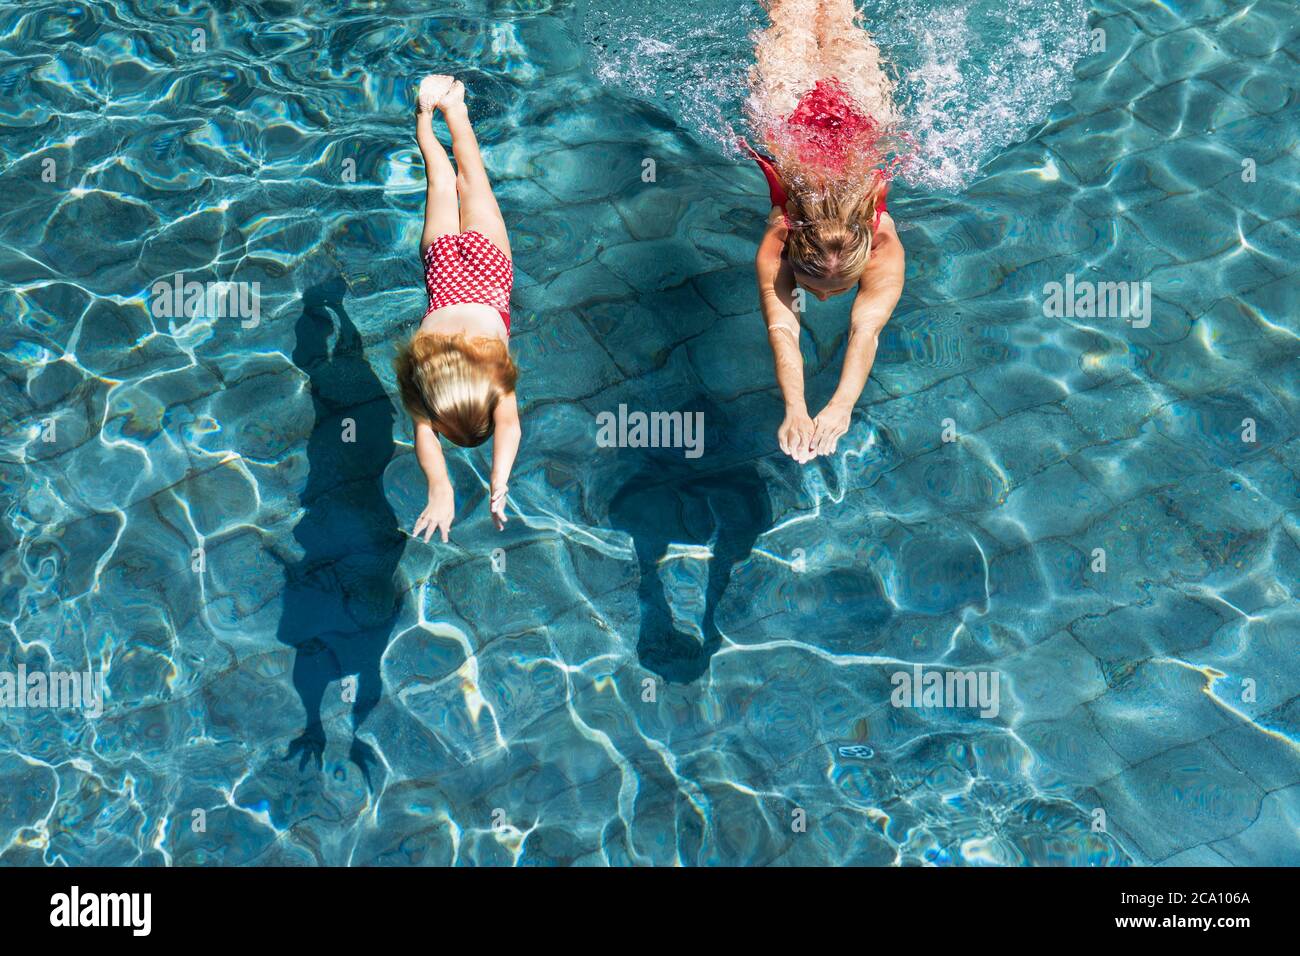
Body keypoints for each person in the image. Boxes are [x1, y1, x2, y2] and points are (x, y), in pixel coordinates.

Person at [746, 0, 906, 463]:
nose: (818, 299)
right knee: (825, 13)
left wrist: (838, 407)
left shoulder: (881, 244)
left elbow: (863, 332)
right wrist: (797, 406)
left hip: (808, 109)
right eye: (818, 289)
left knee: (798, 13)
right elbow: (784, 327)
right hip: (838, 111)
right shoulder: (778, 242)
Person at [396, 75, 521, 542]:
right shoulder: (423, 375)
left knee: (471, 179)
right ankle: (425, 118)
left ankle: (456, 109)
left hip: (490, 267)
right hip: (442, 267)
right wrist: (438, 485)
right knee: (442, 179)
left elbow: (508, 429)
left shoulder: (494, 371)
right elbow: (424, 437)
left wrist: (499, 483)